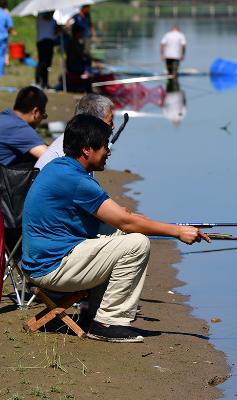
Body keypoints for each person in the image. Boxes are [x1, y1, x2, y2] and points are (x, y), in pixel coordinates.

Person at [22, 115, 211, 343]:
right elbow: (126, 221)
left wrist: (145, 223)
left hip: (44, 260)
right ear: (87, 150)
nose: (109, 152)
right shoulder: (76, 179)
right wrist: (177, 231)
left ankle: (94, 313)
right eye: (104, 146)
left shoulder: (60, 167)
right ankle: (107, 322)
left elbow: (121, 218)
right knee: (136, 243)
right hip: (51, 267)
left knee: (125, 234)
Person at [35, 93, 113, 170]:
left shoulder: (81, 141)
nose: (113, 126)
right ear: (92, 122)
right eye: (110, 121)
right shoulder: (69, 153)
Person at [0, 86, 48, 167]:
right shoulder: (19, 128)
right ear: (35, 112)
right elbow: (52, 158)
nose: (42, 119)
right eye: (43, 115)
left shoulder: (5, 116)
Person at [35, 12, 58, 89]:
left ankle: (45, 82)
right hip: (42, 42)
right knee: (42, 63)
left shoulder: (54, 21)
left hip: (50, 42)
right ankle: (38, 81)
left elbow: (55, 33)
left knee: (47, 64)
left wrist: (59, 28)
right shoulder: (40, 16)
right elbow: (46, 17)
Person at [0, 0, 15, 76]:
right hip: (2, 37)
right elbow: (10, 27)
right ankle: (0, 72)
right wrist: (13, 32)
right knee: (1, 55)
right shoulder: (5, 14)